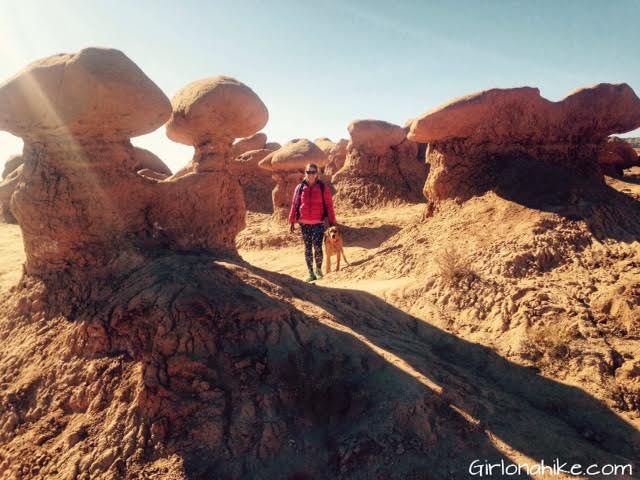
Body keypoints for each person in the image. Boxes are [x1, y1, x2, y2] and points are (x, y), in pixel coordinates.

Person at [288, 163, 337, 281]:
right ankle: (310, 273)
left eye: (313, 172)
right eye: (308, 172)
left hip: (318, 222)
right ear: (305, 173)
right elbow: (295, 204)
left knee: (318, 246)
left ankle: (319, 270)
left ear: (317, 174)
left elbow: (329, 205)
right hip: (304, 223)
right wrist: (291, 221)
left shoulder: (322, 187)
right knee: (308, 248)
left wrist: (332, 221)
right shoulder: (299, 188)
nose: (310, 174)